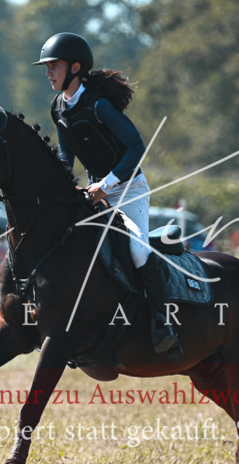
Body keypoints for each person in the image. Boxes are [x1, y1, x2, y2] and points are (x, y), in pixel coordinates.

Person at [34, 32, 179, 354]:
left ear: (74, 67)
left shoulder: (99, 105)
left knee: (138, 253)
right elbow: (65, 156)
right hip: (94, 189)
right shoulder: (58, 107)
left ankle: (163, 321)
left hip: (128, 189)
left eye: (53, 66)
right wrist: (62, 184)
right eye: (47, 67)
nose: (48, 73)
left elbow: (136, 148)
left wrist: (106, 185)